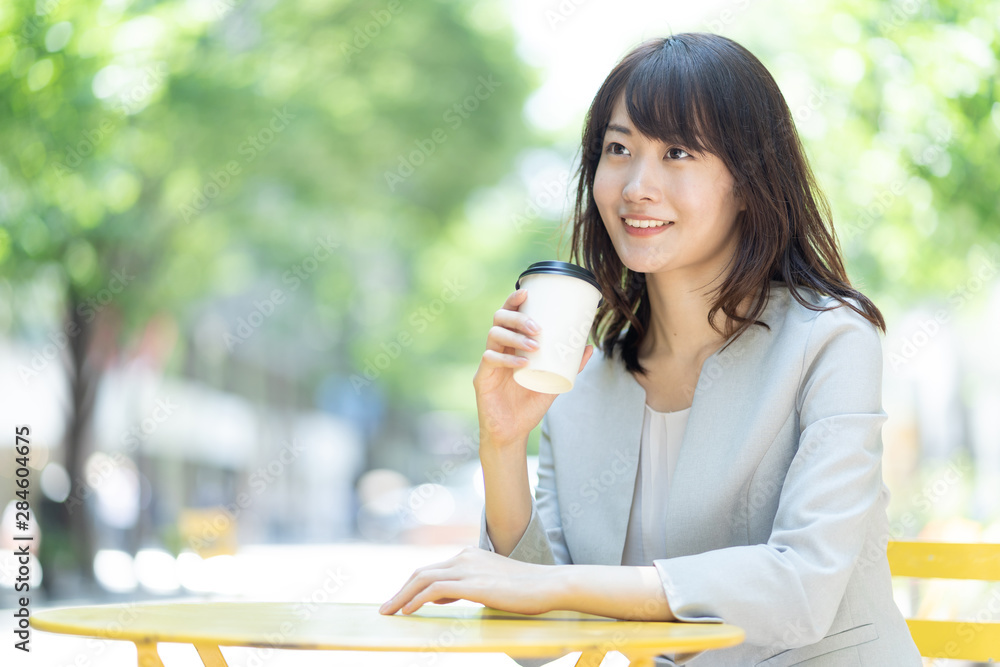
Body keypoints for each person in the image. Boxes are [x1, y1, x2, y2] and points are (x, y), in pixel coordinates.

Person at [379, 32, 923, 667]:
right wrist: (501, 443)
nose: (638, 184)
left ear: (747, 181)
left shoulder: (830, 340)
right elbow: (538, 642)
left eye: (678, 152)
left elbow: (800, 589)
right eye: (618, 149)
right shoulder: (582, 379)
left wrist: (554, 585)